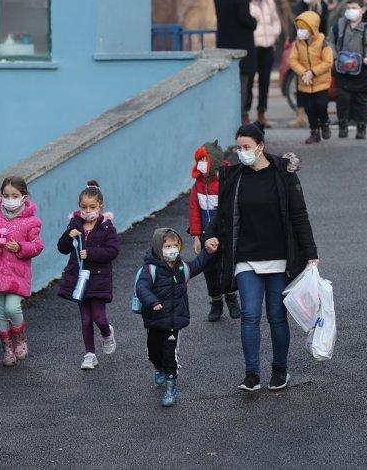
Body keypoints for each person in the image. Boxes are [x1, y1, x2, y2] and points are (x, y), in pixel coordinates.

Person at [204, 122, 319, 392]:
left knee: (277, 317)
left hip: (279, 258)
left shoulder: (283, 173)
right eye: (239, 147)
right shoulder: (234, 177)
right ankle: (251, 374)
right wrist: (209, 233)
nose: (242, 152)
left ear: (260, 146)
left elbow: (299, 215)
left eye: (247, 147)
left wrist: (312, 253)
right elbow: (222, 215)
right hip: (246, 258)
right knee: (250, 316)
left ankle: (280, 370)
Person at [135, 228, 215, 407]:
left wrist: (207, 251)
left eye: (174, 245)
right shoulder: (150, 269)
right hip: (155, 320)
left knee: (170, 355)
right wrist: (152, 301)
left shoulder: (181, 267)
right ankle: (158, 367)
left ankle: (171, 388)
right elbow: (142, 288)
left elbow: (197, 265)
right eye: (167, 246)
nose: (172, 249)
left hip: (174, 321)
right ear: (158, 247)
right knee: (154, 351)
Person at [0, 176, 44, 367]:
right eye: (6, 195)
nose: (10, 199)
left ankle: (20, 337)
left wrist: (20, 247)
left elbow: (37, 246)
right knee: (0, 313)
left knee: (12, 308)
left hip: (17, 274)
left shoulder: (31, 221)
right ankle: (7, 348)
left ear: (23, 197)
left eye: (14, 195)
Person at [57, 181, 120, 370]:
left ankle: (107, 333)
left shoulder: (107, 228)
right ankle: (90, 354)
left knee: (99, 318)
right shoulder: (75, 224)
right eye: (84, 207)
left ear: (100, 206)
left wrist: (91, 253)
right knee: (85, 319)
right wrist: (69, 235)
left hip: (98, 279)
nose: (88, 210)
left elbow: (113, 251)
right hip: (79, 280)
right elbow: (61, 248)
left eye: (92, 207)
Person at [188, 140, 241, 322]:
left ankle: (231, 297)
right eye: (198, 160)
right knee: (209, 269)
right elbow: (194, 210)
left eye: (204, 159)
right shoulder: (198, 185)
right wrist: (196, 236)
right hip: (205, 236)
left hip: (225, 235)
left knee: (227, 266)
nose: (200, 164)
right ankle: (216, 301)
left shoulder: (226, 181)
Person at [328, 0, 367, 140]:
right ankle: (343, 127)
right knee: (342, 99)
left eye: (354, 8)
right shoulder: (340, 24)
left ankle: (361, 129)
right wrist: (334, 57)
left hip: (363, 70)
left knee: (361, 101)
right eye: (348, 8)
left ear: (362, 10)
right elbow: (330, 42)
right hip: (343, 69)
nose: (350, 11)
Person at [212, 0, 257, 125]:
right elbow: (245, 18)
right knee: (243, 84)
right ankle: (241, 118)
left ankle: (227, 119)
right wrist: (255, 22)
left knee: (227, 84)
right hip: (242, 44)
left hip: (224, 42)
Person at [288, 0, 330, 129]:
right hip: (301, 47)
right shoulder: (300, 5)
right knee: (301, 83)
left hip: (317, 47)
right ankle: (300, 115)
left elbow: (325, 27)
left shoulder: (322, 6)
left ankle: (321, 118)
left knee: (319, 84)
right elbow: (295, 25)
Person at [288, 10, 333, 144]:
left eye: (302, 28)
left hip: (321, 82)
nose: (299, 31)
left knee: (321, 105)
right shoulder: (297, 43)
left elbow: (328, 62)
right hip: (304, 83)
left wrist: (312, 72)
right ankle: (314, 131)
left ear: (312, 28)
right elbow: (292, 60)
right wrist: (303, 72)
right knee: (309, 108)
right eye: (298, 28)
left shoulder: (323, 42)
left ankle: (324, 122)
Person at [246, 0, 281, 129]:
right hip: (253, 46)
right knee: (249, 80)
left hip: (268, 45)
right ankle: (245, 113)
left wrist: (274, 35)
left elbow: (276, 21)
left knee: (265, 81)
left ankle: (262, 114)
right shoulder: (246, 3)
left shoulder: (269, 2)